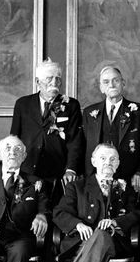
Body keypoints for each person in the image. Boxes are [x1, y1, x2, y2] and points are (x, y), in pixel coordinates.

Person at [53, 144, 140, 262]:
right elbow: (59, 212)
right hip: (81, 243)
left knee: (101, 236)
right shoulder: (77, 186)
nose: (107, 162)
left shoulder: (125, 188)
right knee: (98, 256)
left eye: (112, 159)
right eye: (102, 158)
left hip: (115, 242)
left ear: (118, 164)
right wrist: (77, 224)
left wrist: (115, 222)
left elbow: (136, 214)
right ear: (93, 161)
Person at [10, 58, 84, 198]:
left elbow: (75, 141)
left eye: (58, 79)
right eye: (49, 78)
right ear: (38, 82)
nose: (54, 83)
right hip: (27, 171)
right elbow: (14, 138)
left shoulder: (71, 105)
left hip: (58, 172)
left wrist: (71, 169)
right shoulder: (22, 104)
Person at [82, 66, 140, 193]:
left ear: (123, 83)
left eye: (116, 80)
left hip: (129, 178)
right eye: (106, 82)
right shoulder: (89, 113)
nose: (111, 85)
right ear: (101, 87)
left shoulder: (139, 111)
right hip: (96, 179)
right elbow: (83, 147)